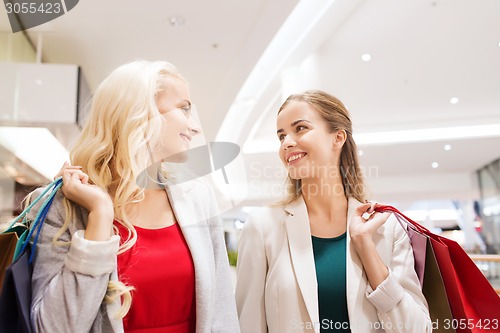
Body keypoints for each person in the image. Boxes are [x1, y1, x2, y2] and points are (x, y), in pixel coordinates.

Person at [28, 60, 240, 332]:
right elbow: (53, 327)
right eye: (184, 109)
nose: (195, 126)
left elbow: (221, 314)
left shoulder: (198, 198)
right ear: (140, 112)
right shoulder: (61, 207)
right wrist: (100, 215)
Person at [235, 90, 432, 333]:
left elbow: (417, 329)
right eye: (281, 136)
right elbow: (248, 325)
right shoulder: (262, 226)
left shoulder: (385, 227)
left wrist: (366, 247)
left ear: (338, 137)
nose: (287, 142)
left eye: (300, 128)